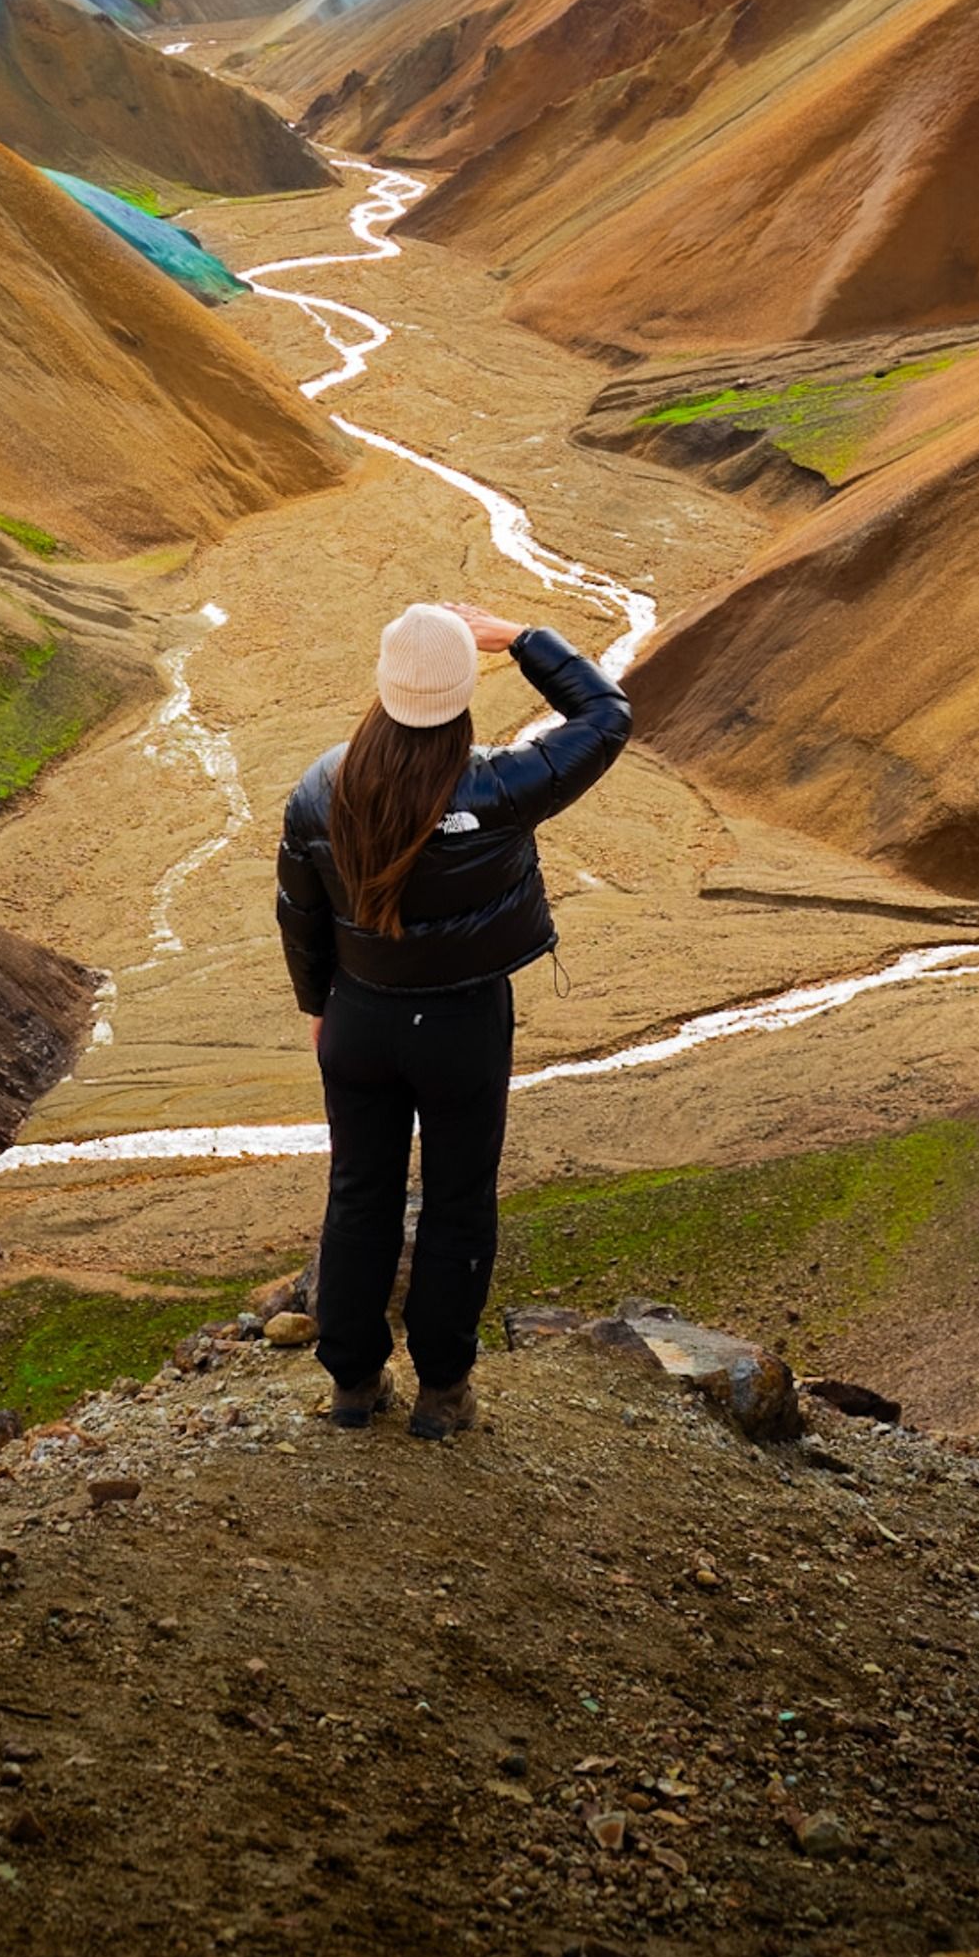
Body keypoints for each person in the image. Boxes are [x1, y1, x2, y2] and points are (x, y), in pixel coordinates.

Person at [276, 599, 632, 1440]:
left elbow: (300, 912)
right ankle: (443, 1392)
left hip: (360, 1018)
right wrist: (522, 640)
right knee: (458, 1203)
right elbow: (607, 715)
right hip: (465, 1023)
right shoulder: (501, 786)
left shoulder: (321, 788)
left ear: (383, 687)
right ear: (463, 692)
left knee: (359, 1195)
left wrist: (318, 1008)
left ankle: (354, 1385)